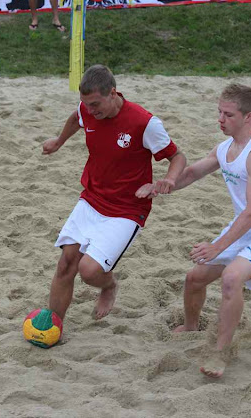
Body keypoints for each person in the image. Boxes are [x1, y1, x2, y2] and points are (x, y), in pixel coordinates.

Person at [42, 64, 186, 325]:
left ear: (113, 93)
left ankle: (108, 286)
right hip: (92, 197)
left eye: (95, 104)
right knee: (66, 263)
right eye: (86, 104)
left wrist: (169, 180)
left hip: (127, 208)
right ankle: (53, 326)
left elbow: (177, 156)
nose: (90, 110)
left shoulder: (144, 122)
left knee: (89, 271)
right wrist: (59, 141)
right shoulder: (88, 110)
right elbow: (76, 118)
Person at [171, 84, 251, 378]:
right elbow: (191, 173)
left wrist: (217, 247)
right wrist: (162, 186)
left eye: (228, 115)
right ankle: (190, 326)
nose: (220, 119)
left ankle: (220, 352)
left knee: (231, 278)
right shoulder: (225, 148)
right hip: (244, 226)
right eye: (219, 112)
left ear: (248, 117)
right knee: (195, 277)